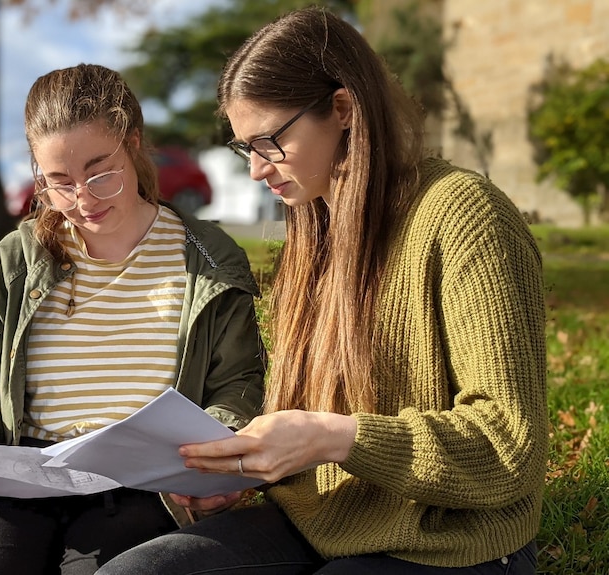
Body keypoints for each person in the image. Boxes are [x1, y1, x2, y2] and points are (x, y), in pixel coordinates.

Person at [98, 7, 547, 575]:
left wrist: (333, 438)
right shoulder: (313, 229)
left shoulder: (465, 219)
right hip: (319, 520)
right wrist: (243, 469)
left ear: (342, 108)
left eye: (268, 141)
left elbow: (511, 446)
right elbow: (303, 423)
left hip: (451, 543)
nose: (257, 171)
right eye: (244, 148)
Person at [0, 63, 266, 575]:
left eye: (101, 172)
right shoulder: (15, 262)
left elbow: (236, 384)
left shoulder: (207, 258)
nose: (83, 199)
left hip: (146, 484)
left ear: (134, 144)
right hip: (21, 477)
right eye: (59, 182)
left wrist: (216, 465)